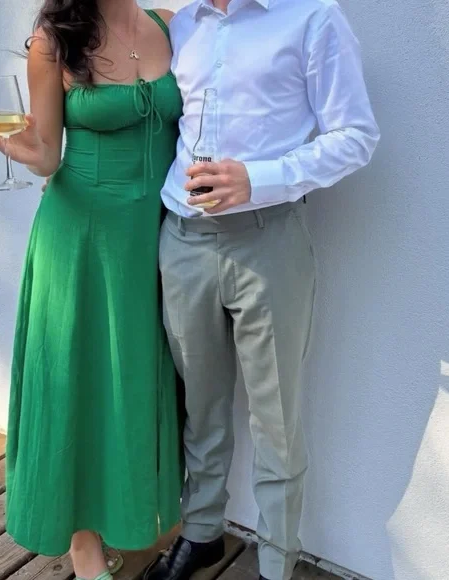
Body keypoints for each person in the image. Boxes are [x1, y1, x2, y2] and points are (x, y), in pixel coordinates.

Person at [145, 1, 380, 580]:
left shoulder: (314, 17)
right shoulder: (183, 24)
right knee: (200, 407)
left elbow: (357, 135)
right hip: (182, 239)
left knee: (275, 418)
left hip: (268, 242)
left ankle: (276, 561)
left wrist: (259, 177)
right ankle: (202, 532)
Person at [0, 1, 183, 579]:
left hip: (152, 238)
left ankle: (128, 516)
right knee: (77, 382)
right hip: (80, 240)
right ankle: (83, 545)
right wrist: (8, 143)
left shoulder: (170, 23)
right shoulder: (54, 42)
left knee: (132, 381)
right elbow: (46, 155)